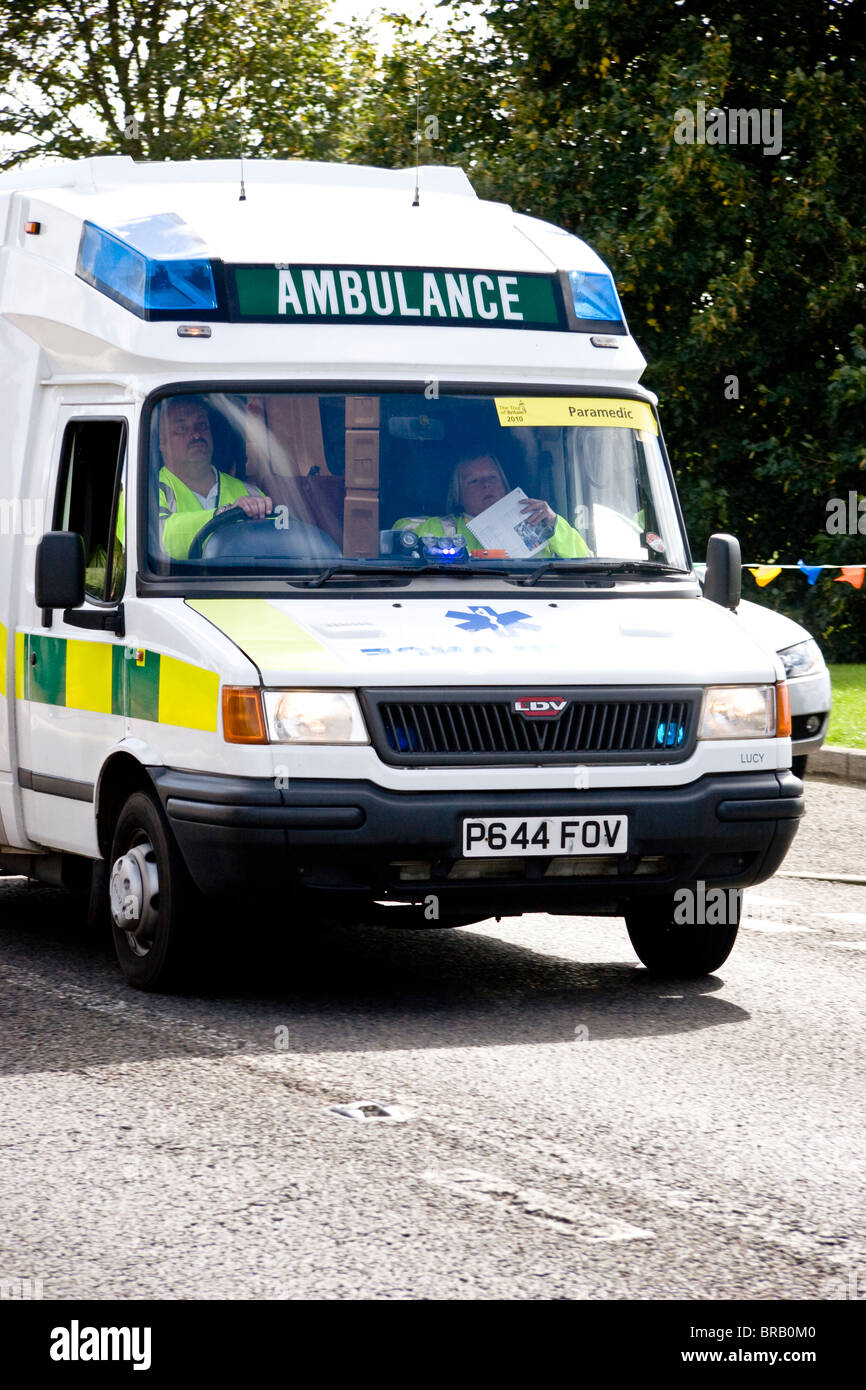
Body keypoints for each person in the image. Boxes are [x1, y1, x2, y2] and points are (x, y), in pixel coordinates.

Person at [393, 452, 591, 558]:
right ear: (457, 495)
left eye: (492, 477)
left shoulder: (538, 521)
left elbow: (585, 563)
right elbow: (400, 536)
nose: (486, 484)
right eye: (474, 481)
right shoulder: (439, 527)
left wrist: (555, 524)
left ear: (505, 486)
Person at [155, 397, 273, 559]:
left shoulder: (250, 492)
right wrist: (224, 514)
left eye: (202, 425)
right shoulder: (143, 492)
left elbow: (271, 547)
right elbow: (157, 538)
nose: (196, 434)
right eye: (182, 428)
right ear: (162, 443)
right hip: (177, 584)